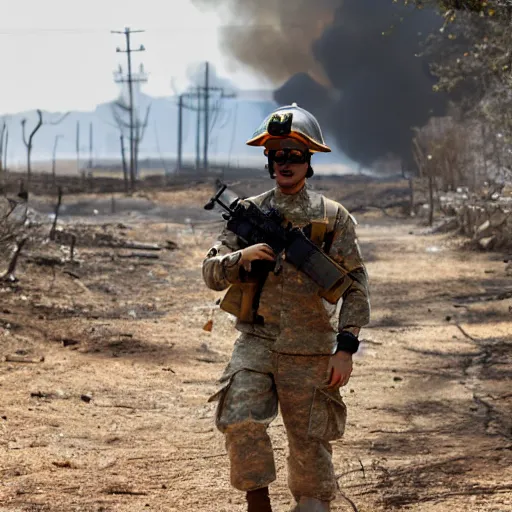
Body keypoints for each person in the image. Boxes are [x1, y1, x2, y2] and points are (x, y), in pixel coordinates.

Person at [202, 104, 370, 512]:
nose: (285, 162)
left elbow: (356, 284)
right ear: (269, 160)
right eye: (277, 154)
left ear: (309, 161)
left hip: (311, 347)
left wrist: (345, 347)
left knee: (309, 443)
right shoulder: (250, 214)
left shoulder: (332, 218)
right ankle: (257, 502)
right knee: (239, 418)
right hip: (256, 341)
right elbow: (210, 271)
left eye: (294, 154)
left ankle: (312, 503)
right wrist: (238, 259)